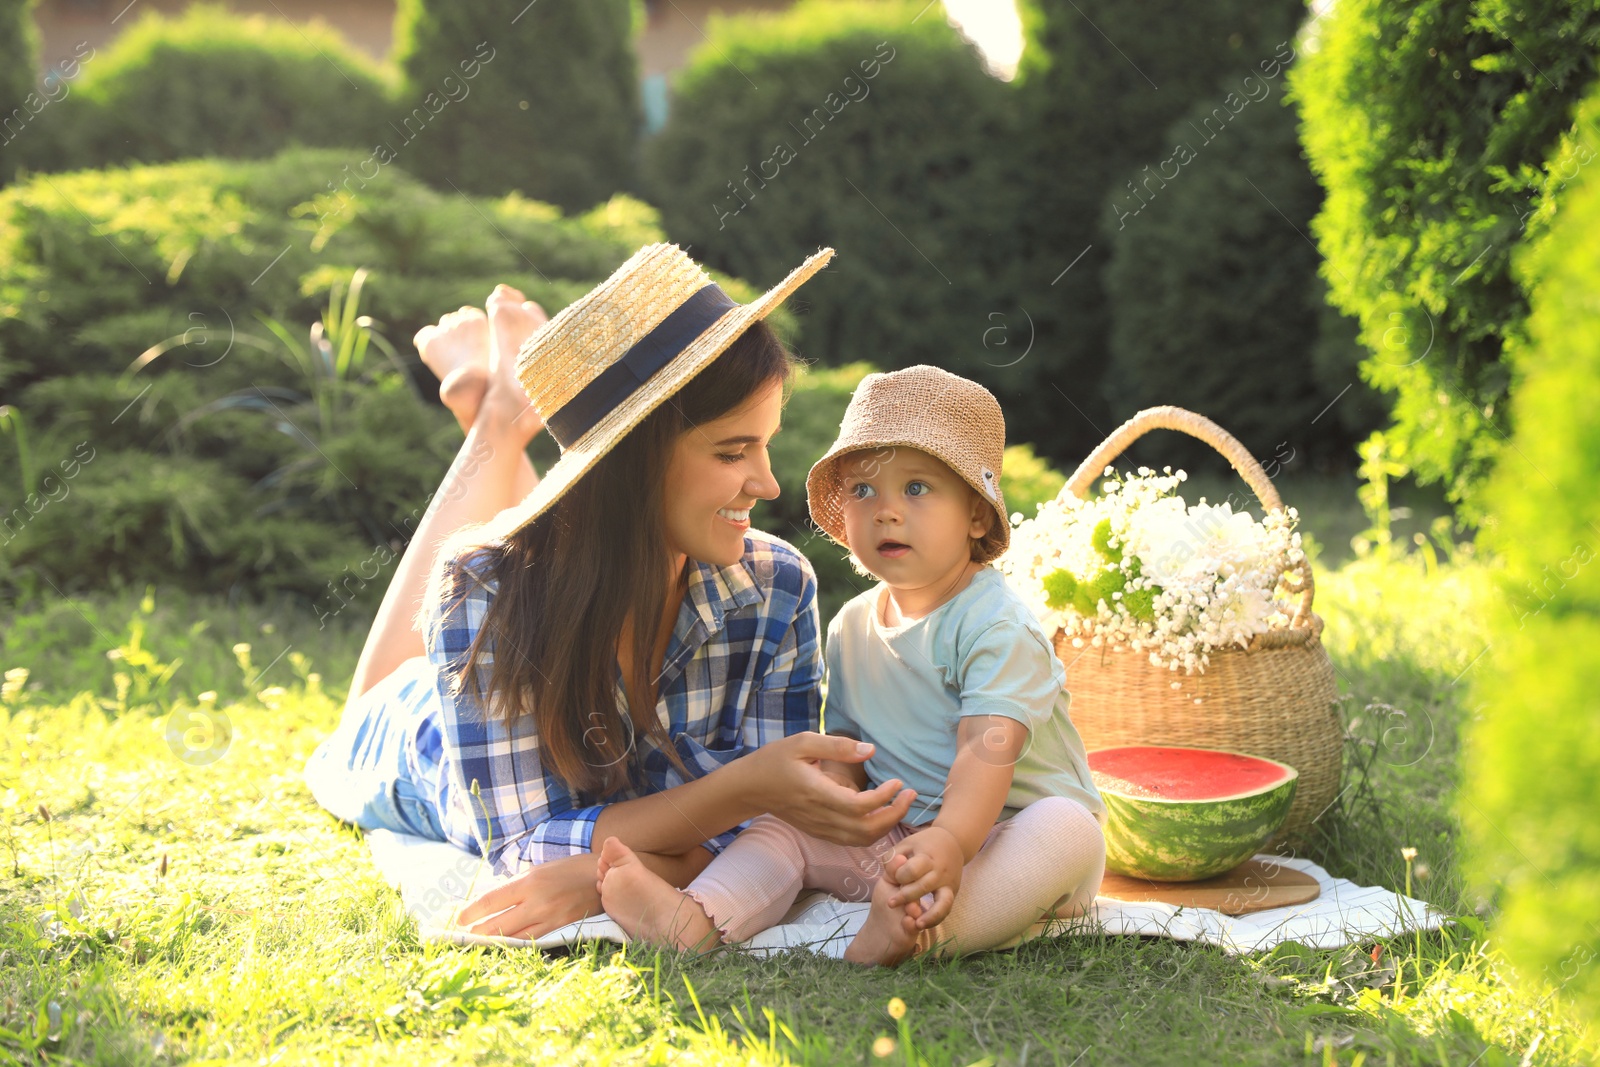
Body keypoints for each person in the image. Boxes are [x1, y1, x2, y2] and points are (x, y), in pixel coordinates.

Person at [303, 244, 923, 941]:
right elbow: (521, 845)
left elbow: (771, 832)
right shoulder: (479, 590)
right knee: (427, 639)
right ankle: (503, 413)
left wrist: (596, 869)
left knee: (571, 548)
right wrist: (745, 789)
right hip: (420, 740)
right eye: (731, 451)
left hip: (587, 550)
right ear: (634, 459)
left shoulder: (775, 588)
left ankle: (510, 401)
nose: (769, 483)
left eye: (765, 445)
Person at [595, 366, 1108, 965]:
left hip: (1004, 837)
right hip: (897, 838)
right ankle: (699, 917)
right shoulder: (853, 624)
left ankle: (920, 936)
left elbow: (985, 749)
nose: (886, 511)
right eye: (863, 491)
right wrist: (839, 799)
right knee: (783, 825)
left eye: (917, 488)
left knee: (1066, 827)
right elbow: (846, 743)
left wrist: (950, 839)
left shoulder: (995, 626)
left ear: (976, 515)